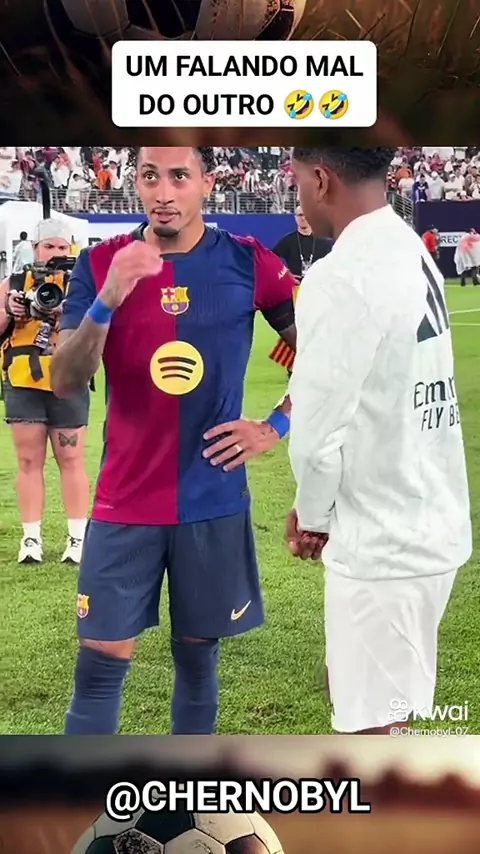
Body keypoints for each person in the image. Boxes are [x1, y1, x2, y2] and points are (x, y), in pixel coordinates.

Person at [49, 146, 298, 735]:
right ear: (135, 183)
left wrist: (276, 425)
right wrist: (108, 299)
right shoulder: (100, 263)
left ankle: (188, 789)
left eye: (179, 176)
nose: (163, 192)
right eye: (149, 176)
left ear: (207, 183)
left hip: (212, 498)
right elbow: (64, 379)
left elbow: (323, 357)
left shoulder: (249, 262)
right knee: (99, 664)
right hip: (125, 500)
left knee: (197, 660)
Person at [286, 147, 472, 735]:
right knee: (371, 705)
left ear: (320, 179)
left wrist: (312, 517)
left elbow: (316, 437)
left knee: (376, 735)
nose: (298, 197)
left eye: (297, 181)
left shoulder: (342, 274)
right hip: (428, 515)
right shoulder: (408, 246)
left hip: (383, 541)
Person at [0, 219, 90, 564]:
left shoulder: (81, 284)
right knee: (28, 461)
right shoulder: (15, 283)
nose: (55, 253)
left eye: (62, 247)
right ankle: (31, 539)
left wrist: (71, 311)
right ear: (35, 249)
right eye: (48, 246)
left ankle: (77, 538)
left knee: (71, 459)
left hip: (68, 378)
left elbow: (101, 326)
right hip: (23, 379)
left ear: (71, 249)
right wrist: (10, 309)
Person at [269, 206, 332, 376]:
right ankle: (292, 366)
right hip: (295, 291)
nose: (303, 218)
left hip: (318, 291)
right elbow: (271, 259)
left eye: (305, 214)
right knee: (294, 329)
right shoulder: (288, 240)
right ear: (295, 218)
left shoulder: (323, 242)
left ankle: (316, 363)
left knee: (318, 328)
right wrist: (286, 273)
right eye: (299, 215)